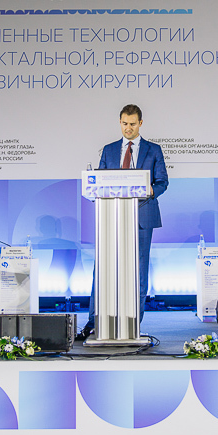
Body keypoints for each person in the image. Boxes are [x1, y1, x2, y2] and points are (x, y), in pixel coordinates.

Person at [78, 103, 168, 340]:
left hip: (142, 216)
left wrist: (151, 189)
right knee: (102, 271)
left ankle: (133, 324)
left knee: (139, 273)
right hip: (111, 217)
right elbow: (100, 181)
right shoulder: (108, 150)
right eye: (125, 124)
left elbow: (163, 182)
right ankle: (94, 323)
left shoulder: (153, 150)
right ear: (120, 122)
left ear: (140, 123)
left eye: (133, 124)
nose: (128, 128)